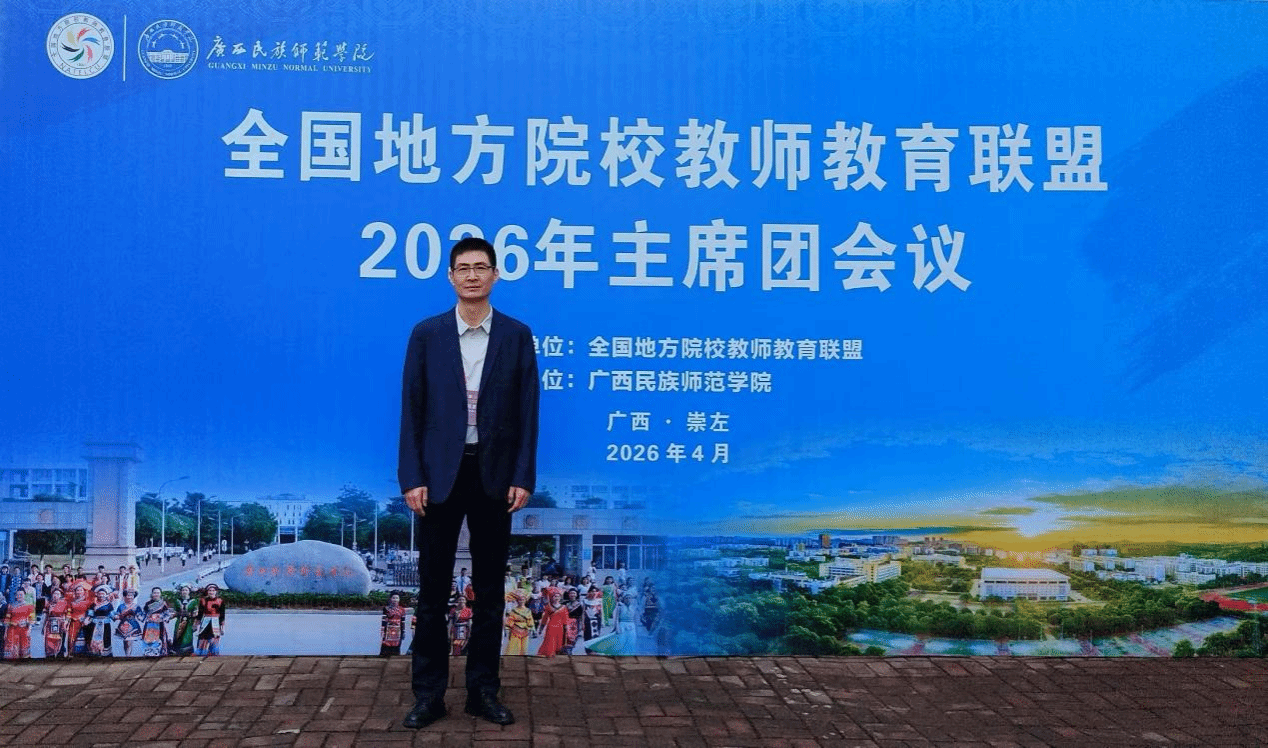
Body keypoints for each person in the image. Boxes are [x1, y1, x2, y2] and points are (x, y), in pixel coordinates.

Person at [397, 236, 540, 729]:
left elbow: (528, 411)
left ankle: (483, 691)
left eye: (481, 267)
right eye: (463, 268)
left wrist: (523, 475)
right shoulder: (427, 334)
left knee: (491, 591)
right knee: (432, 593)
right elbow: (411, 409)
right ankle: (428, 695)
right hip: (439, 476)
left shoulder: (516, 335)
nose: (472, 275)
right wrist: (412, 476)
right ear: (451, 276)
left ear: (496, 274)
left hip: (494, 476)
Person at [82, 585, 115, 657]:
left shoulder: (109, 605)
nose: (101, 595)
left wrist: (116, 617)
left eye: (103, 594)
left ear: (106, 595)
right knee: (93, 638)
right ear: (97, 595)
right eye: (99, 594)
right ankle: (95, 652)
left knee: (105, 638)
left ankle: (105, 653)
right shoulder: (93, 604)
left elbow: (112, 614)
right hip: (95, 623)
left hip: (105, 623)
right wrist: (87, 619)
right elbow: (90, 613)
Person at [2, 589, 35, 659]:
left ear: (25, 595)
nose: (19, 596)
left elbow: (31, 619)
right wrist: (5, 632)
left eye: (21, 594)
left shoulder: (30, 606)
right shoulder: (11, 606)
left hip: (24, 630)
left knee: (24, 650)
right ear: (15, 596)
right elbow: (7, 619)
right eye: (17, 595)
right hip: (12, 631)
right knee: (12, 650)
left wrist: (29, 629)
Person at [194, 584, 226, 656]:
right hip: (206, 621)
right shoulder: (203, 601)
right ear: (207, 592)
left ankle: (213, 653)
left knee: (214, 637)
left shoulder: (220, 601)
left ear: (216, 592)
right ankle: (201, 653)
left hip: (215, 621)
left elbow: (222, 615)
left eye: (213, 591)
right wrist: (197, 624)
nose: (211, 592)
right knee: (202, 637)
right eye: (210, 590)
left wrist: (222, 627)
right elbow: (200, 614)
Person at [140, 587, 171, 657]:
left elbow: (167, 615)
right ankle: (148, 653)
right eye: (154, 593)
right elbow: (143, 614)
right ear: (152, 594)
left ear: (160, 594)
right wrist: (146, 618)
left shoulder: (163, 604)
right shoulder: (147, 604)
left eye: (158, 593)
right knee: (148, 640)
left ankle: (158, 653)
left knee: (159, 640)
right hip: (149, 625)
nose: (156, 594)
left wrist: (161, 618)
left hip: (159, 625)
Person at [536, 591, 569, 658]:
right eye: (555, 596)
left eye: (558, 596)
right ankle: (549, 654)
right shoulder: (548, 607)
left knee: (558, 640)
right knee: (550, 640)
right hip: (551, 626)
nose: (556, 598)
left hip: (560, 626)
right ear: (552, 598)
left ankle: (556, 654)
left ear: (560, 598)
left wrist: (566, 627)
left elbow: (565, 618)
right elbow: (545, 618)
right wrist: (541, 628)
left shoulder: (563, 607)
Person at [502, 590, 534, 656]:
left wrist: (530, 628)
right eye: (520, 600)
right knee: (514, 647)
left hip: (525, 631)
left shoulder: (528, 611)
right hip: (515, 630)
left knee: (524, 648)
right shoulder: (514, 610)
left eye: (523, 600)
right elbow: (510, 620)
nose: (521, 601)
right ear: (517, 601)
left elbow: (530, 621)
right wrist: (508, 628)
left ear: (525, 600)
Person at [113, 588, 143, 656]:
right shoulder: (121, 606)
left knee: (129, 641)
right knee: (125, 642)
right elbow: (116, 616)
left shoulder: (136, 606)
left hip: (133, 625)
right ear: (125, 596)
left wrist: (141, 616)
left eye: (131, 595)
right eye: (128, 595)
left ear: (134, 597)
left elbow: (140, 616)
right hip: (123, 625)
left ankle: (128, 655)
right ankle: (127, 654)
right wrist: (120, 616)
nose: (129, 597)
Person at [170, 585, 198, 655]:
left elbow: (196, 612)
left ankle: (187, 651)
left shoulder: (194, 601)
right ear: (181, 592)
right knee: (177, 635)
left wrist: (194, 622)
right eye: (183, 590)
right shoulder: (177, 601)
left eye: (186, 590)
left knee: (187, 636)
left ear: (189, 591)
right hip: (179, 621)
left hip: (189, 622)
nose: (184, 592)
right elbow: (175, 612)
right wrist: (171, 616)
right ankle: (176, 650)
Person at [43, 588, 71, 657]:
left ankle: (59, 654)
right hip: (50, 624)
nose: (56, 595)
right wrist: (43, 627)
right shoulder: (48, 604)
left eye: (58, 594)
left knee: (59, 640)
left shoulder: (64, 603)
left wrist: (66, 622)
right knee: (49, 640)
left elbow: (68, 614)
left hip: (60, 625)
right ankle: (50, 655)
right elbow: (45, 616)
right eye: (54, 593)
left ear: (60, 595)